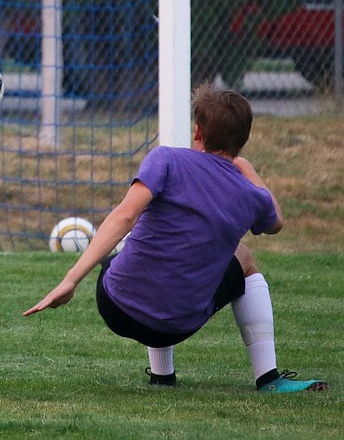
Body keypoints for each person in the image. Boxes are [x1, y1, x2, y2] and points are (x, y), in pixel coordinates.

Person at [23, 84, 327, 393]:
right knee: (243, 257)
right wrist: (248, 170)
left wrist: (71, 279)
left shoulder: (166, 159)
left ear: (197, 131)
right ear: (243, 140)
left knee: (142, 238)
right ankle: (268, 377)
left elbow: (125, 216)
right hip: (177, 327)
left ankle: (162, 377)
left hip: (116, 306)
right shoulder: (253, 196)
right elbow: (276, 222)